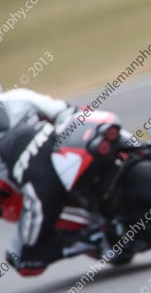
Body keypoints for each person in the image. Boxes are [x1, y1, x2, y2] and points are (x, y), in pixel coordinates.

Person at [0, 88, 102, 276]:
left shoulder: (18, 99)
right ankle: (87, 238)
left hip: (73, 154)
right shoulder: (19, 97)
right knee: (19, 259)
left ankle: (88, 239)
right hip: (41, 188)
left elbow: (71, 113)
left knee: (21, 259)